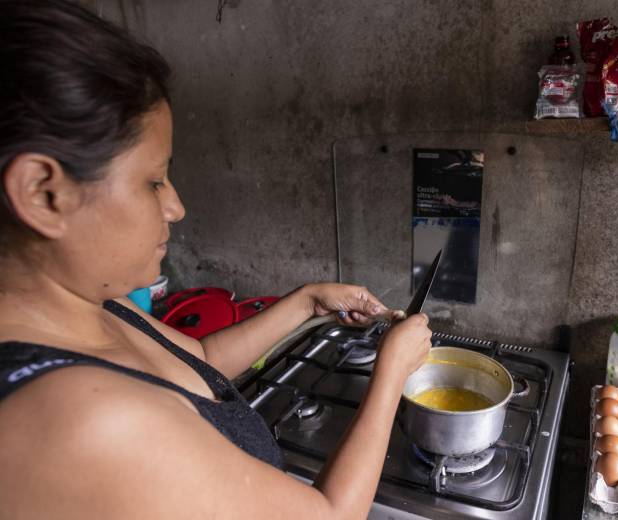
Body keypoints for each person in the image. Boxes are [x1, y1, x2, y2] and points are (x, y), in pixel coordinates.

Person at [0, 1, 433, 518]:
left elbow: (197, 366)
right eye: (154, 180)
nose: (175, 207)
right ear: (43, 193)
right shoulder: (85, 421)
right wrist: (393, 372)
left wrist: (304, 303)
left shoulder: (89, 304)